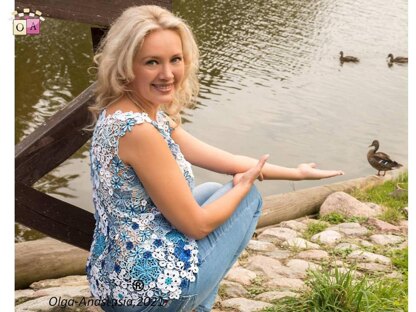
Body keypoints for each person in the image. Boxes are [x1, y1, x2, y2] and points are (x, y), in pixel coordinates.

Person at [86, 5, 344, 312]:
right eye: (152, 62)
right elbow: (198, 226)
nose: (168, 74)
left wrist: (295, 173)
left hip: (114, 281)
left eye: (175, 60)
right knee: (248, 200)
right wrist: (241, 189)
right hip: (148, 296)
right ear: (126, 66)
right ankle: (194, 305)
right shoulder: (140, 132)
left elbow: (226, 159)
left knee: (209, 192)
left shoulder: (125, 112)